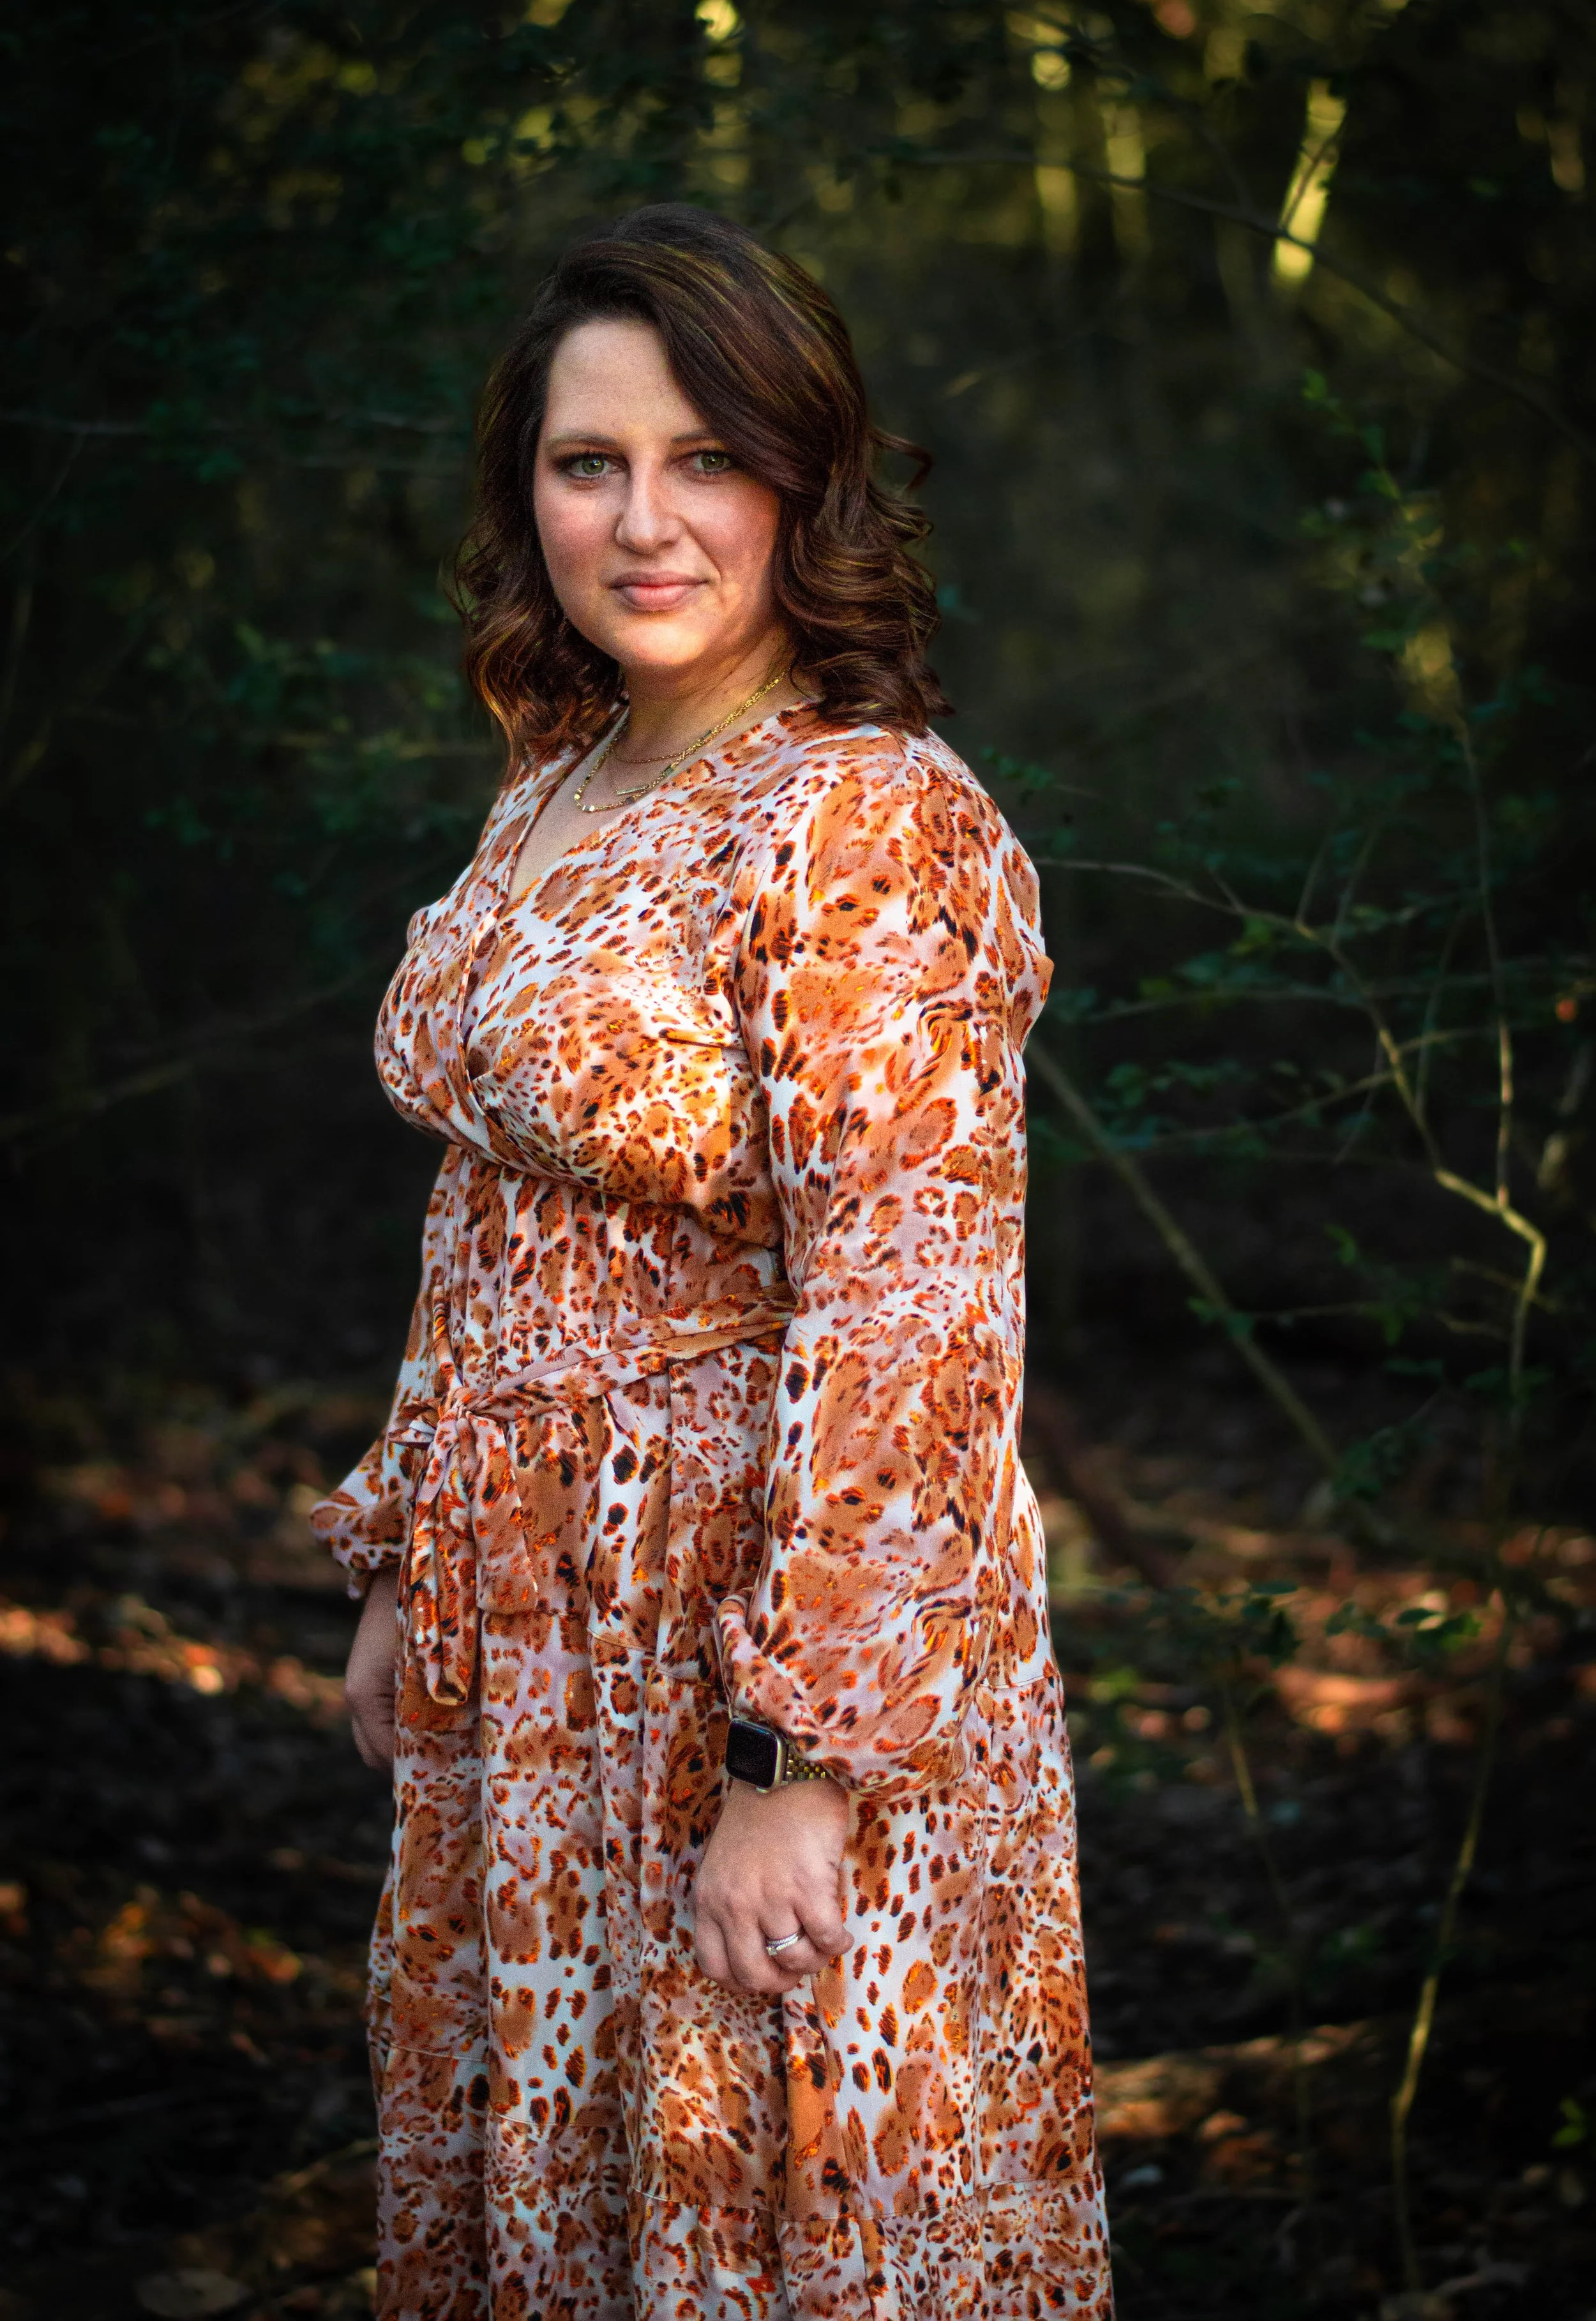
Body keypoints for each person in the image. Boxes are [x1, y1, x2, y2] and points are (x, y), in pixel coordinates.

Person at [314, 202, 1111, 2321]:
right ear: (526, 494)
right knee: (571, 2205)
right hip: (536, 1631)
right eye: (588, 463)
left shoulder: (860, 822)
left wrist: (801, 1766)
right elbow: (492, 1207)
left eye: (703, 460)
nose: (642, 520)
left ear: (800, 481)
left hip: (752, 1634)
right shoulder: (560, 779)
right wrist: (405, 1539)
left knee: (775, 2214)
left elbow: (915, 1310)